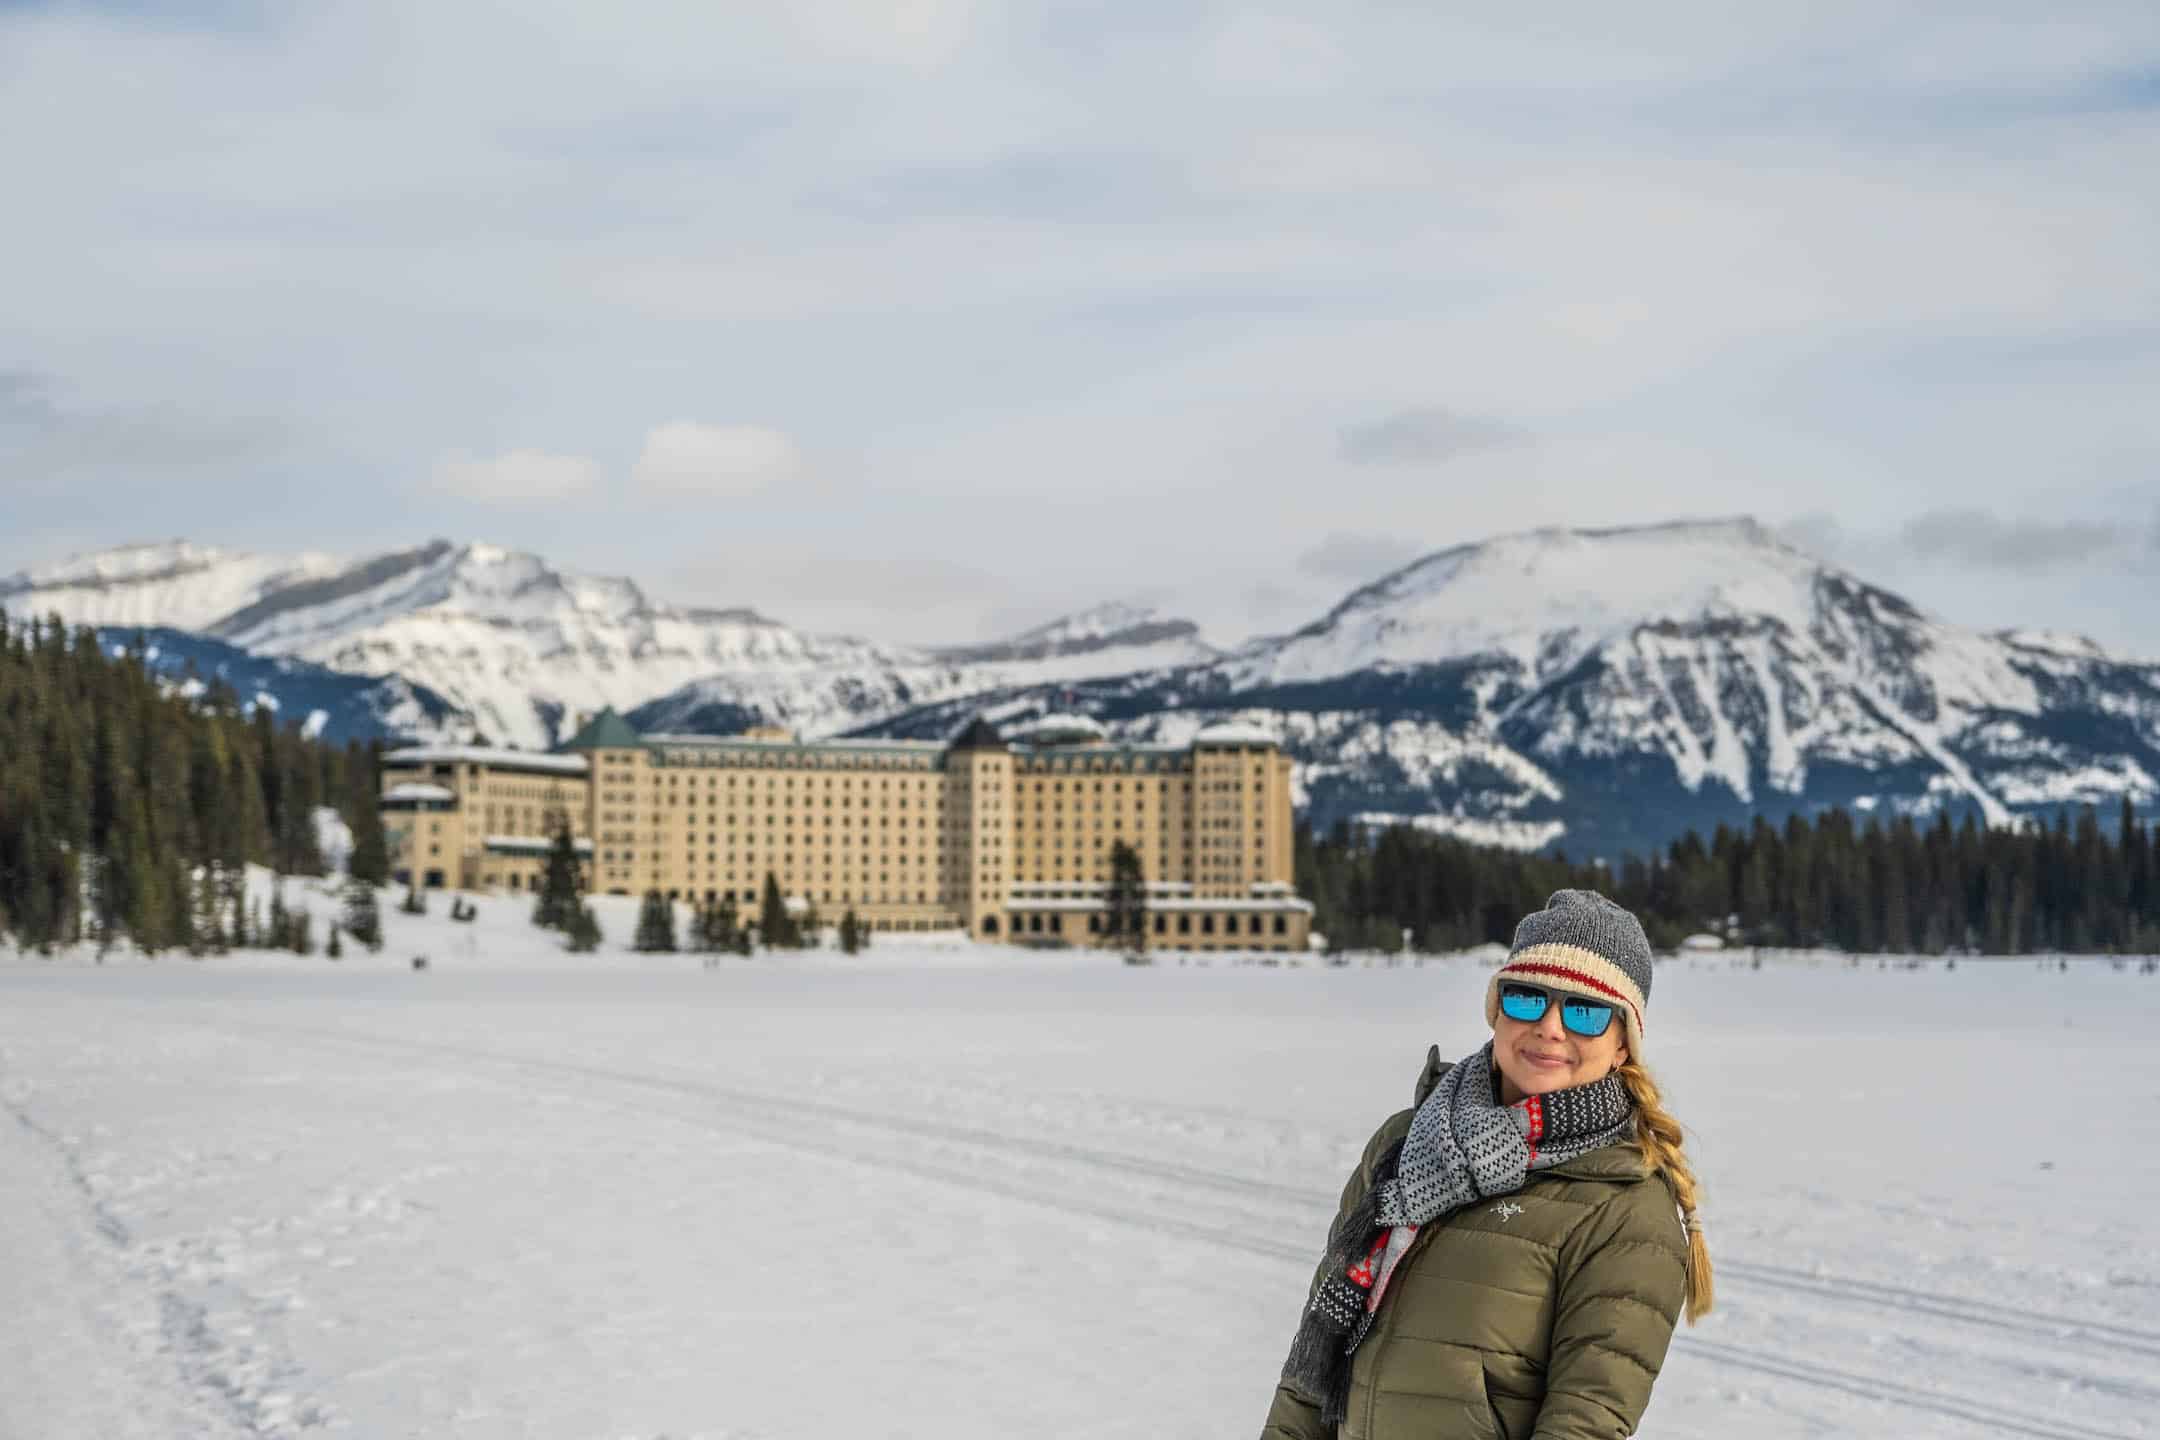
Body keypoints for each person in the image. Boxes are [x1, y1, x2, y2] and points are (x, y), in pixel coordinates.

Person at [1260, 889, 1713, 1439]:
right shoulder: (1404, 1144)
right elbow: (1313, 1367)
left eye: (1586, 1010)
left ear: (1623, 1044)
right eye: (1527, 997)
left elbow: (1586, 1422)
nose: (1550, 1026)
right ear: (1496, 1011)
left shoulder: (1625, 1205)